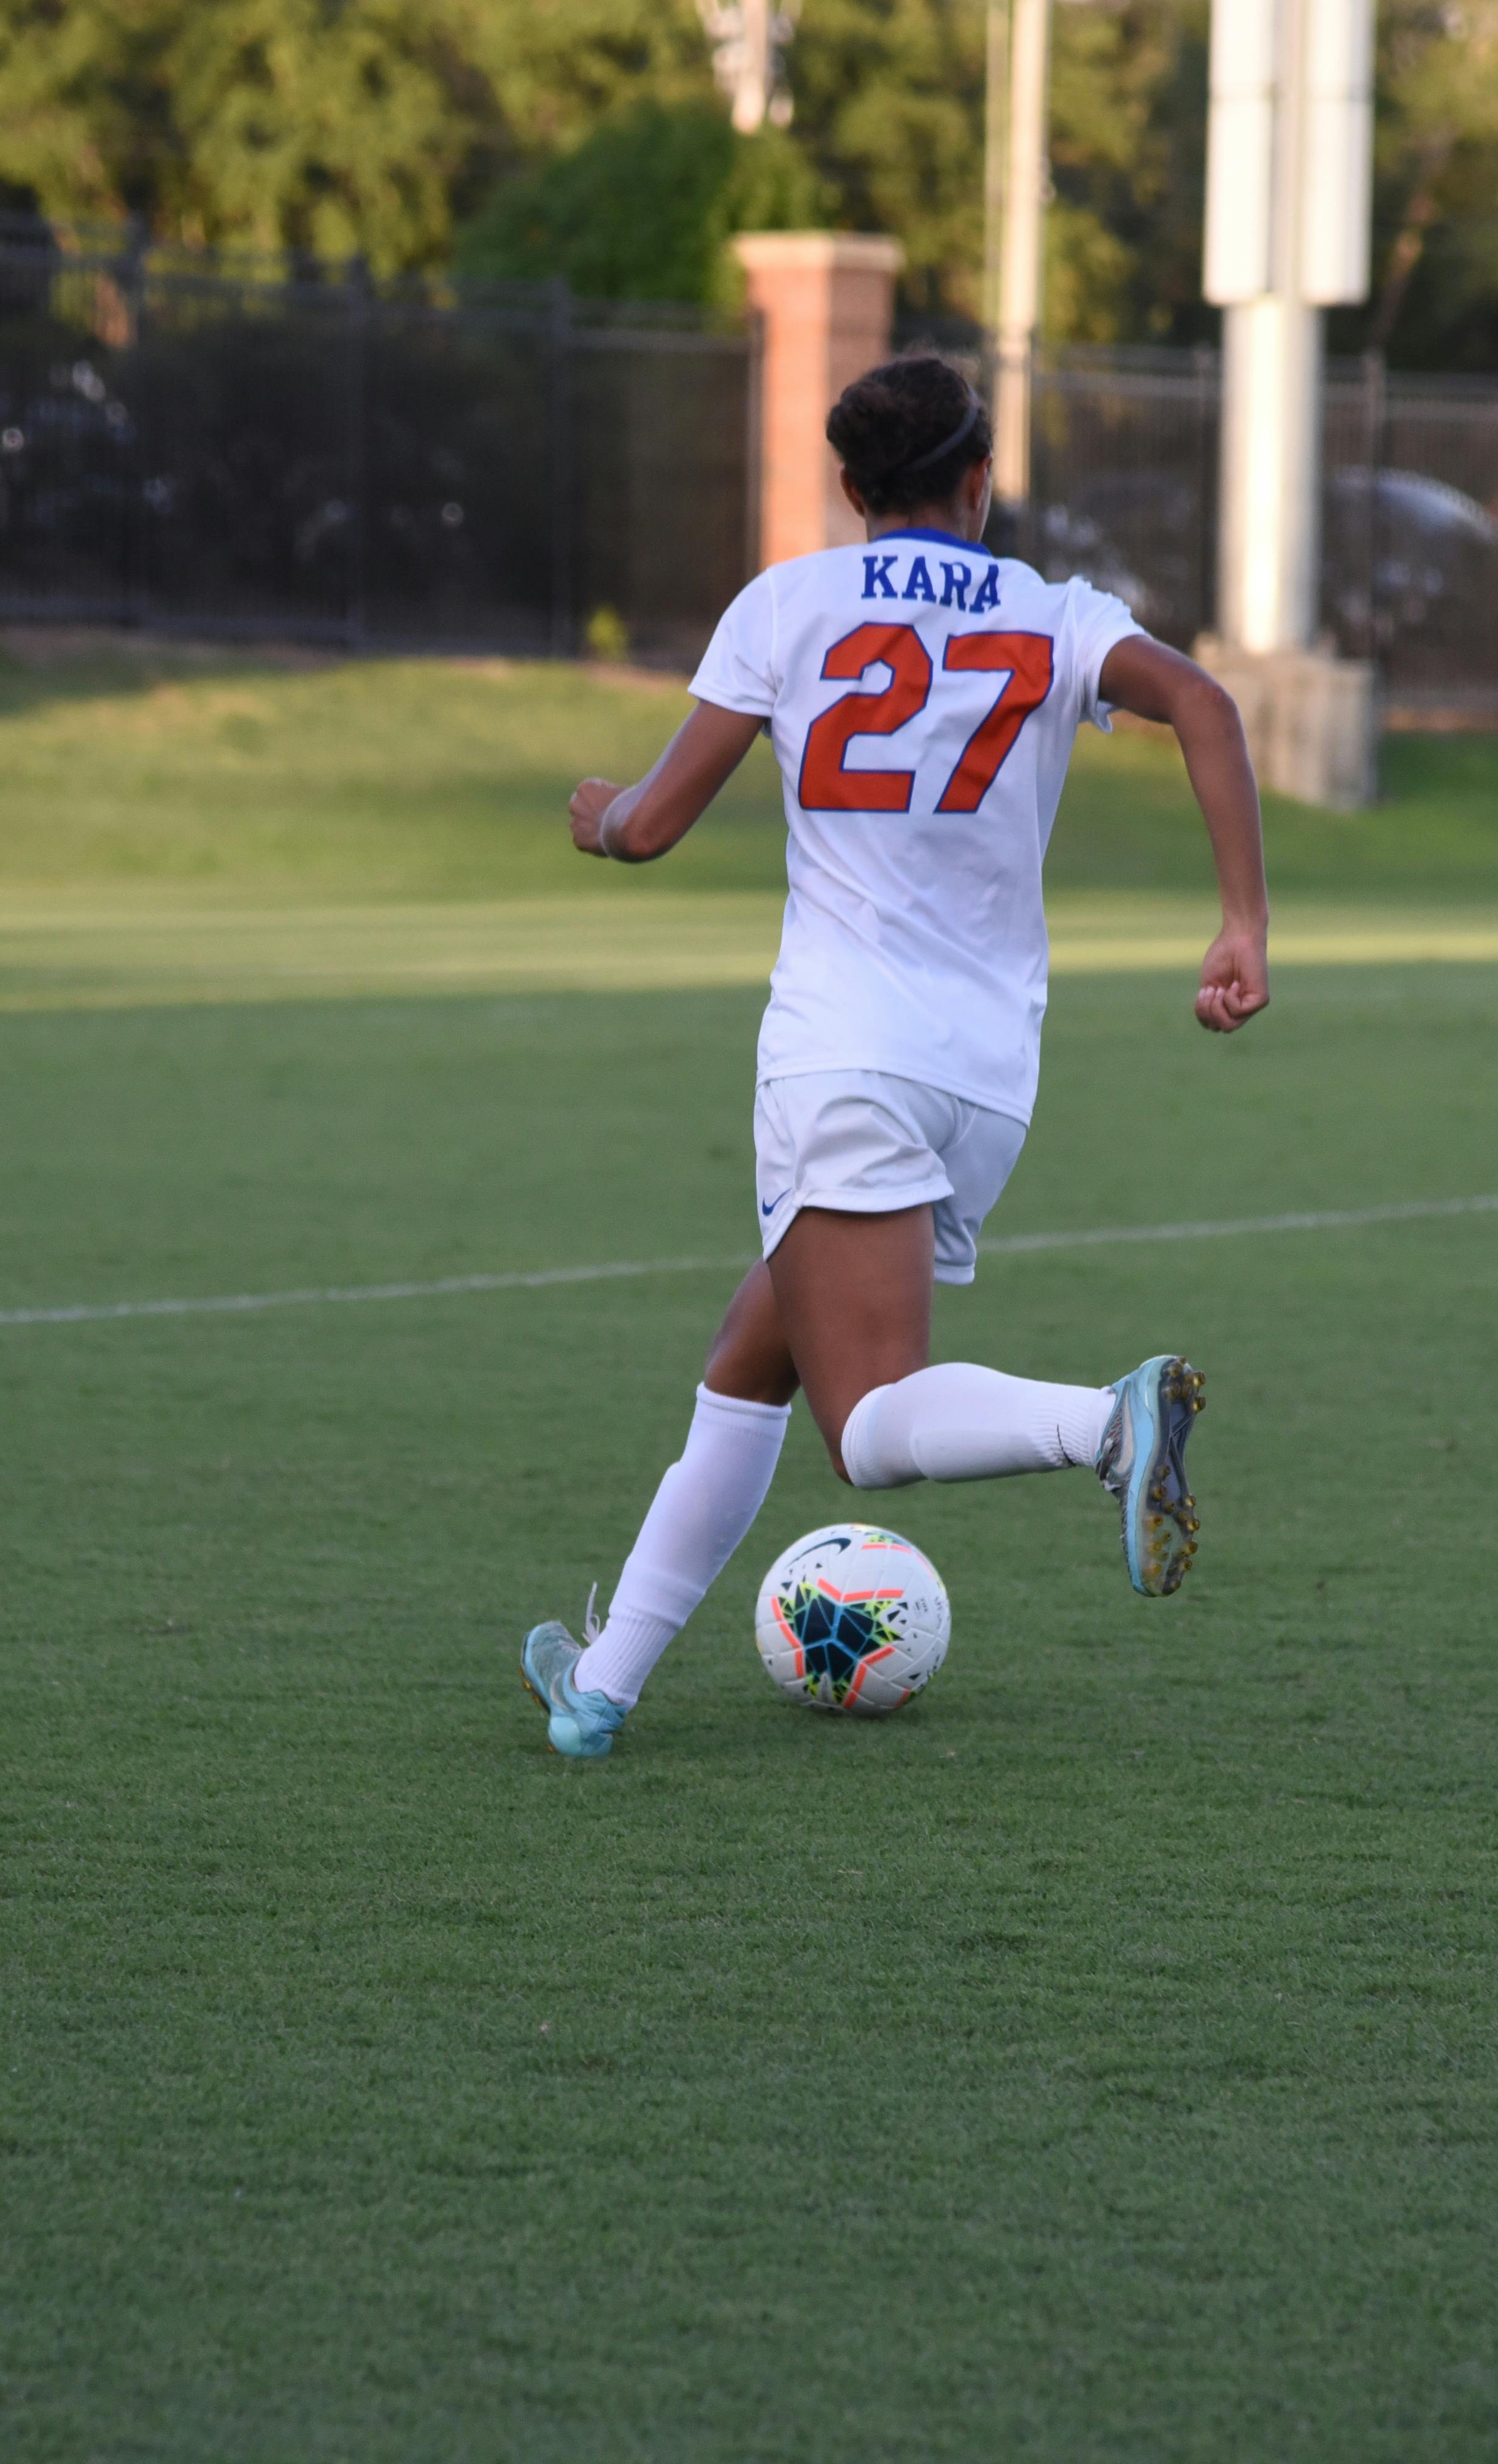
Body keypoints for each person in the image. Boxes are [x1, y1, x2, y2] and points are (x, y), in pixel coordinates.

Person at [520, 355, 1272, 1760]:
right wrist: (1240, 924)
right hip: (985, 1077)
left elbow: (653, 823)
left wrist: (597, 816)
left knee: (865, 1424)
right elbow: (1206, 708)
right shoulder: (1053, 612)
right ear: (978, 479)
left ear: (849, 488)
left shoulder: (787, 603)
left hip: (843, 1056)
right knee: (750, 1359)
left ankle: (1102, 1425)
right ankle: (601, 1686)